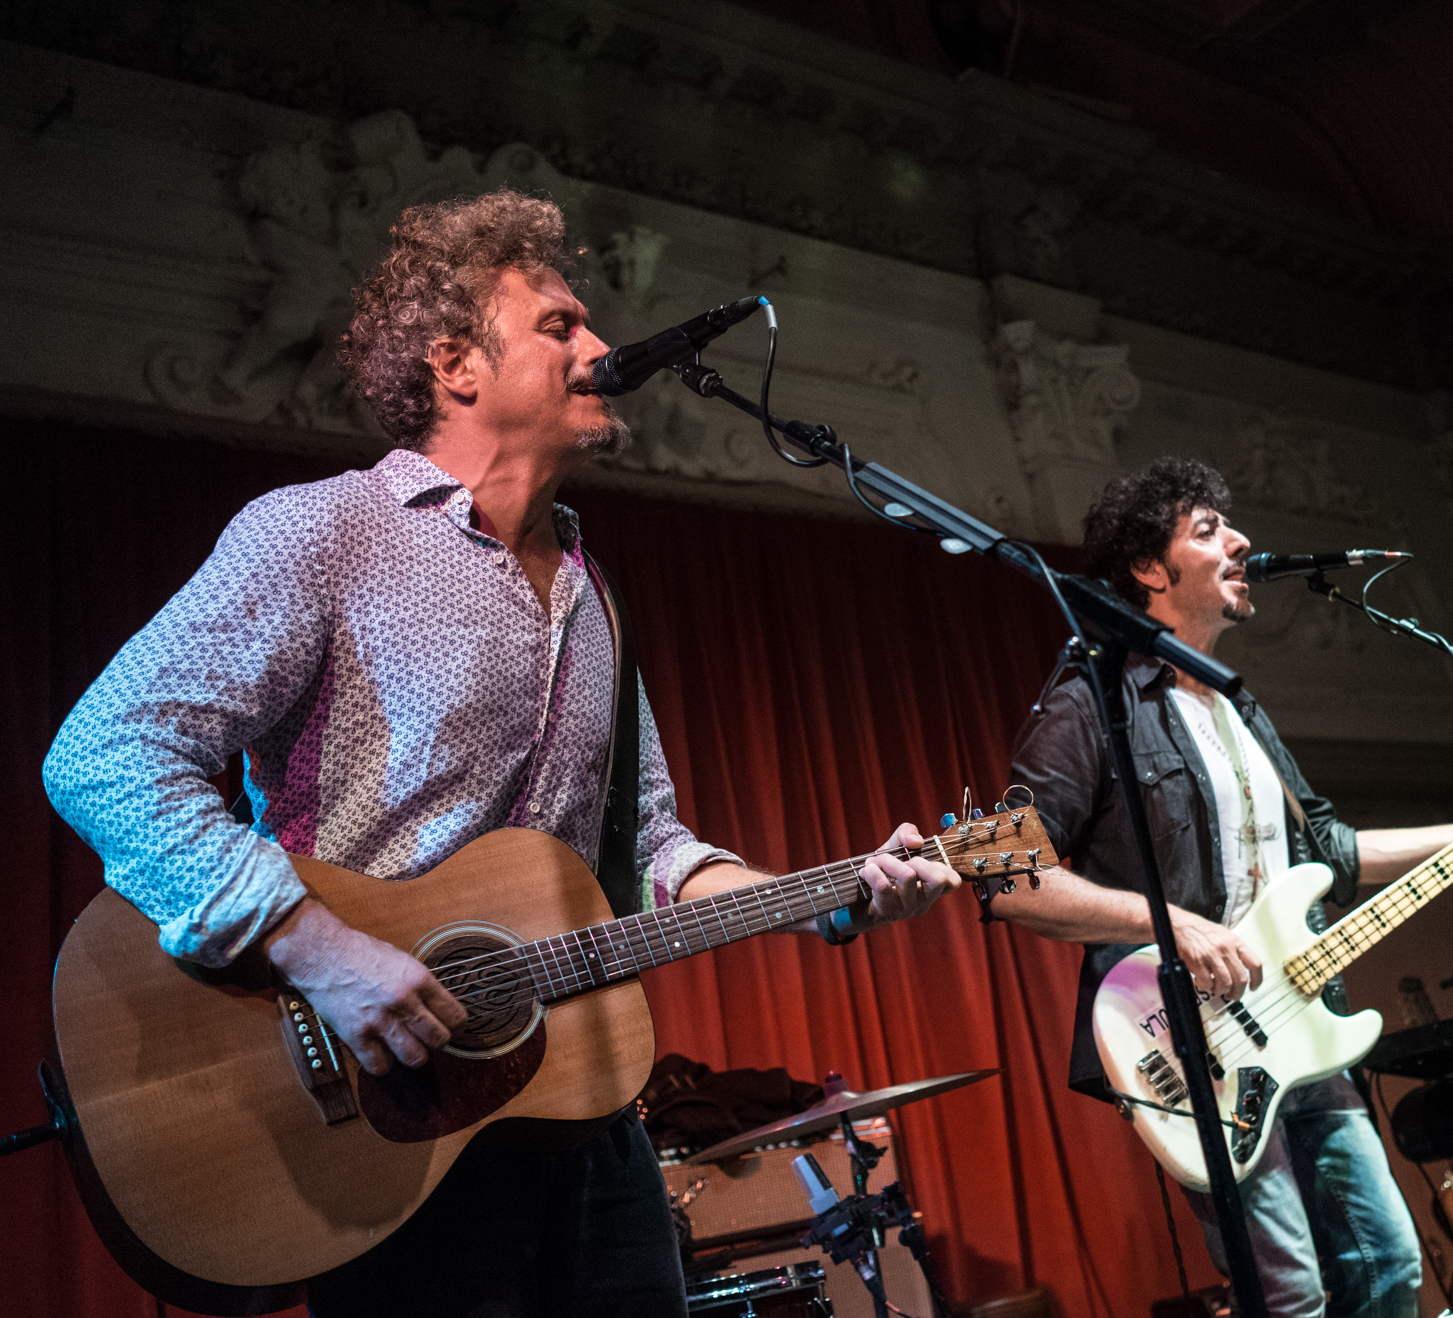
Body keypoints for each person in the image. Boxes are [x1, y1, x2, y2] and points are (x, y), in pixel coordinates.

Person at [41, 189, 962, 1318]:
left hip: (578, 1111)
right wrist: (318, 948)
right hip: (386, 1114)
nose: (602, 348)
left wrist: (824, 898)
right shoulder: (323, 531)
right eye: (559, 325)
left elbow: (653, 841)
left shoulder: (591, 594)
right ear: (454, 365)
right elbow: (105, 753)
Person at [991, 457, 1453, 1318]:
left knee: (1393, 1264)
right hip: (1189, 1046)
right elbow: (1004, 876)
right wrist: (1173, 925)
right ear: (1150, 568)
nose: (1242, 538)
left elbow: (1328, 848)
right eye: (1209, 528)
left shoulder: (1236, 706)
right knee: (1291, 1294)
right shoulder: (1092, 694)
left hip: (1297, 1026)